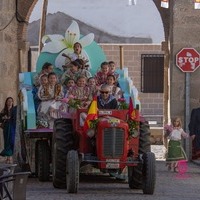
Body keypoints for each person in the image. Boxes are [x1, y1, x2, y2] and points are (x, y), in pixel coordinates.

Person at [0, 97, 15, 163]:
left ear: (12, 102)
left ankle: (11, 156)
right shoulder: (4, 111)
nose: (10, 102)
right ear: (6, 102)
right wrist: (4, 118)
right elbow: (0, 120)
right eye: (8, 101)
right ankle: (8, 158)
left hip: (12, 128)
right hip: (6, 128)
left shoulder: (14, 110)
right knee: (7, 141)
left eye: (11, 101)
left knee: (12, 141)